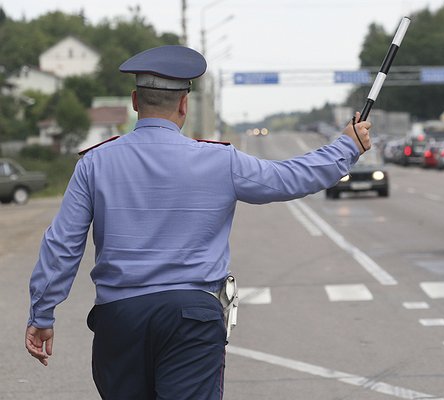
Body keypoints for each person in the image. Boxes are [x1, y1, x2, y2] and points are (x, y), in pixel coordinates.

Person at [25, 45, 371, 399]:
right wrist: (347, 146)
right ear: (184, 105)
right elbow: (289, 178)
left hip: (119, 320)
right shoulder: (220, 160)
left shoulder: (94, 164)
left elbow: (62, 244)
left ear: (134, 101)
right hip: (192, 318)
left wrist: (42, 313)